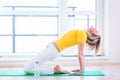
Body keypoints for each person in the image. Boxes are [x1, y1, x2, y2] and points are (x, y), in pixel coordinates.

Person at [24, 26, 101, 74]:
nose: (95, 28)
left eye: (96, 31)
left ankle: (53, 70)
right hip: (51, 49)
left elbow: (80, 54)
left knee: (28, 68)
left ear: (93, 36)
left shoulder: (83, 35)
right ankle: (54, 70)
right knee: (34, 66)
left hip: (52, 50)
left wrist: (81, 70)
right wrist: (82, 69)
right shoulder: (82, 33)